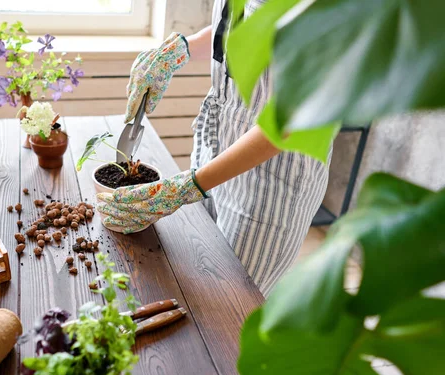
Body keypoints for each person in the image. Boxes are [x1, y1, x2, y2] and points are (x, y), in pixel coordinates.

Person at [96, 0, 330, 295]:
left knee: (230, 306)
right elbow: (242, 23)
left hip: (270, 180)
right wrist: (183, 48)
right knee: (198, 285)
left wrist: (187, 187)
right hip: (217, 143)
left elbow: (291, 119)